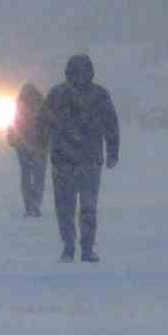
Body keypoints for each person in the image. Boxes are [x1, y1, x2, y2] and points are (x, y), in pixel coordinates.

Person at [41, 53, 120, 262]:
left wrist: (113, 151)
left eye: (83, 72)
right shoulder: (57, 95)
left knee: (86, 207)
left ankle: (85, 247)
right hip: (66, 160)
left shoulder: (98, 95)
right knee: (66, 208)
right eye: (76, 72)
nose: (80, 76)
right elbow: (42, 123)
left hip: (86, 160)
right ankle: (70, 246)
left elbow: (111, 124)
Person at [5, 82, 47, 217]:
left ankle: (29, 206)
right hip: (40, 147)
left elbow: (12, 126)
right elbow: (49, 126)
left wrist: (13, 140)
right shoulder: (43, 106)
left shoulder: (19, 107)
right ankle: (35, 205)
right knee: (38, 178)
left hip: (23, 147)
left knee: (26, 177)